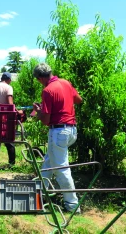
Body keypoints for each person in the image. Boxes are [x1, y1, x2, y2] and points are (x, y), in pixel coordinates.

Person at [32, 63, 82, 213]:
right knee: (48, 163)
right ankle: (39, 198)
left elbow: (46, 120)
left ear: (40, 78)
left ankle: (72, 206)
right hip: (72, 130)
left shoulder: (48, 90)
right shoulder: (65, 83)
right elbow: (78, 99)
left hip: (59, 131)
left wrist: (38, 111)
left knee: (61, 169)